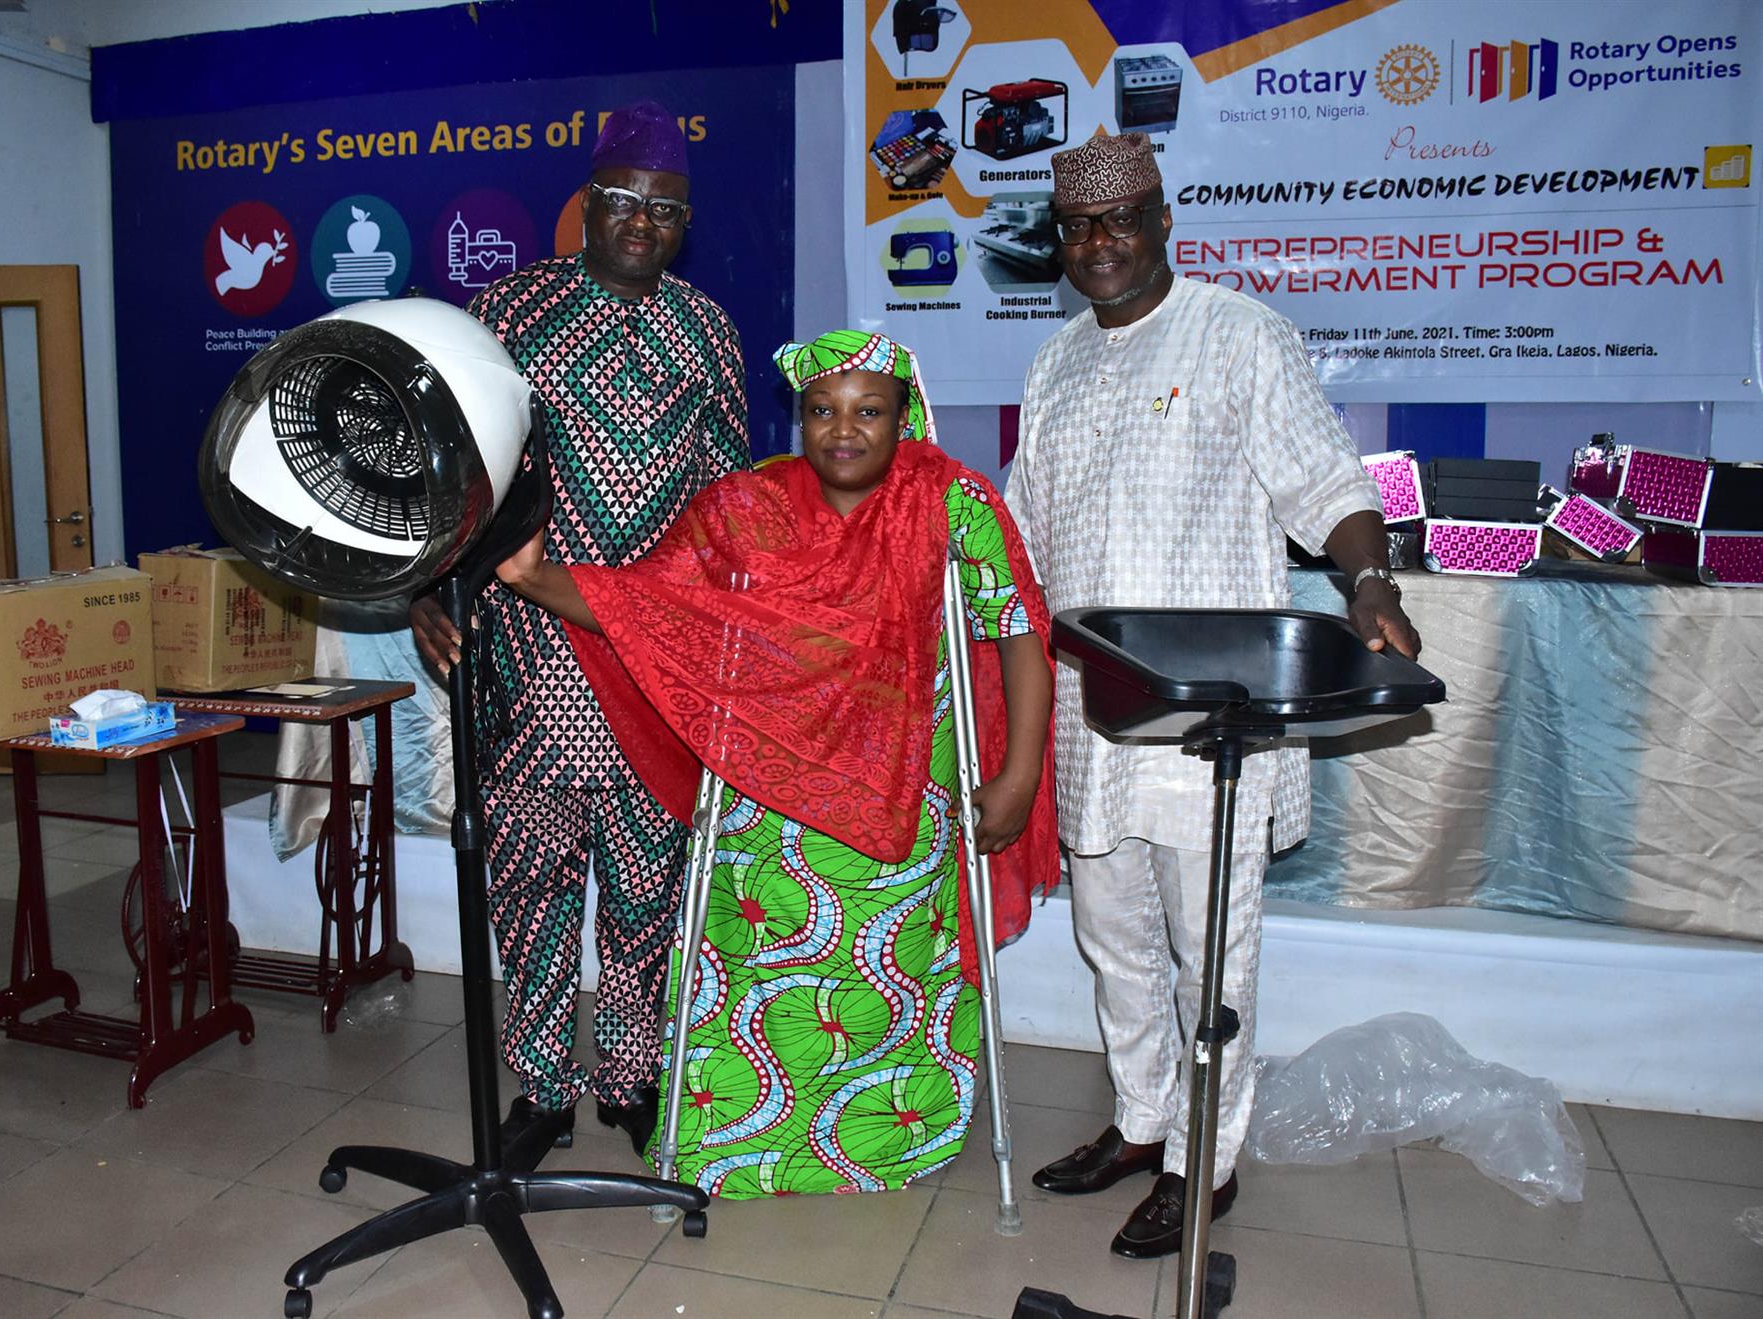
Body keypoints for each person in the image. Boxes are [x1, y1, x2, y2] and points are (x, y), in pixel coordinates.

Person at [489, 330, 1060, 1196]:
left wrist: (1016, 776)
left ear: (903, 417)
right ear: (800, 418)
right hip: (767, 803)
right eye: (823, 410)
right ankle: (743, 1140)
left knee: (891, 970)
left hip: (905, 795)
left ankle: (886, 1138)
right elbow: (657, 605)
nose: (844, 429)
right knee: (763, 972)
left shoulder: (952, 501)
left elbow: (1018, 628)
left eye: (869, 411)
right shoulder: (748, 504)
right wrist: (537, 579)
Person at [1007, 128, 1420, 1258]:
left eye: (1119, 221)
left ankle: (1205, 1157)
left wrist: (1369, 581)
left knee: (1211, 952)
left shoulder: (1240, 335)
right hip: (1098, 716)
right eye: (1078, 227)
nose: (1099, 244)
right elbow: (1022, 530)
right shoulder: (1056, 363)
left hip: (1210, 719)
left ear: (1162, 222)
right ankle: (1143, 1119)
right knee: (1113, 937)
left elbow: (1326, 481)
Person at [408, 101, 750, 1157]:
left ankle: (631, 1076)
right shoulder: (507, 311)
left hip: (655, 655)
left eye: (665, 209)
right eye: (623, 202)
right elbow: (452, 470)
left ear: (685, 222)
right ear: (587, 205)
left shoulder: (709, 331)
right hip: (526, 650)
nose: (643, 222)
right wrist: (426, 587)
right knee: (532, 879)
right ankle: (547, 1088)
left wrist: (720, 628)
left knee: (649, 881)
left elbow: (728, 504)